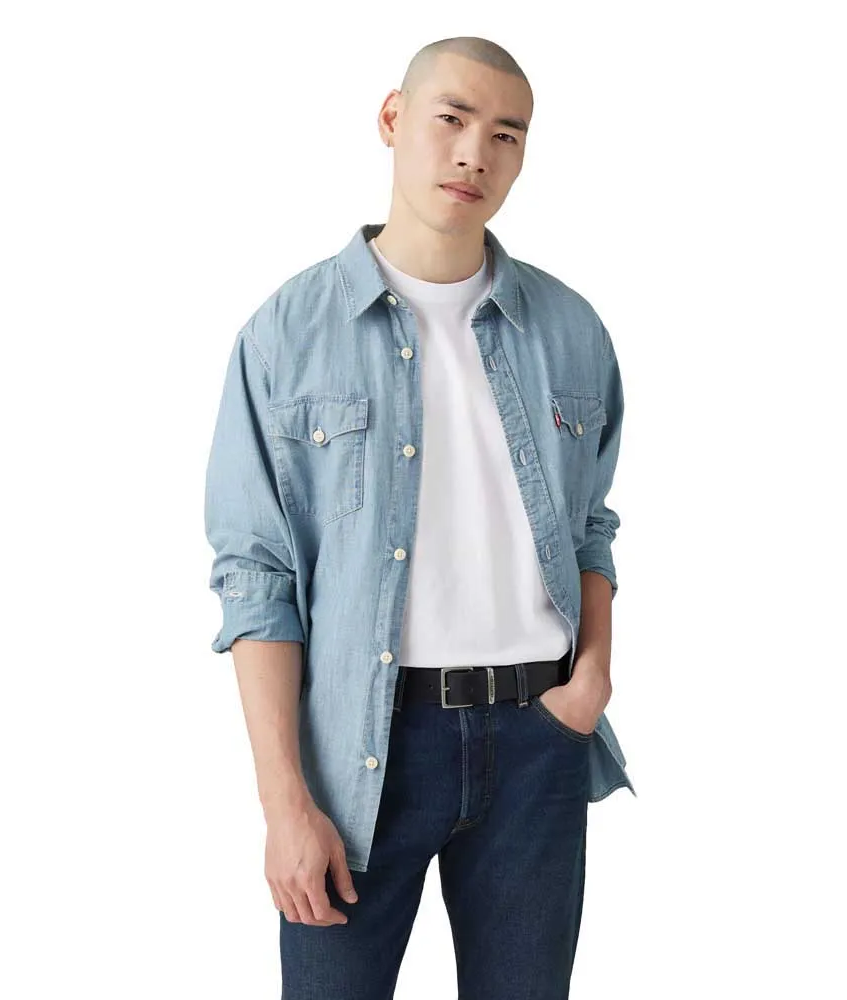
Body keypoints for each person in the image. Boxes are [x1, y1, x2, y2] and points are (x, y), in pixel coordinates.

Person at [204, 34, 635, 1000]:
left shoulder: (571, 329)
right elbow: (256, 577)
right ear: (393, 119)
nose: (475, 153)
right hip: (361, 755)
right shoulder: (287, 336)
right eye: (452, 119)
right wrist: (284, 803)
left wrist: (592, 678)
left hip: (538, 741)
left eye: (507, 135)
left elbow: (591, 527)